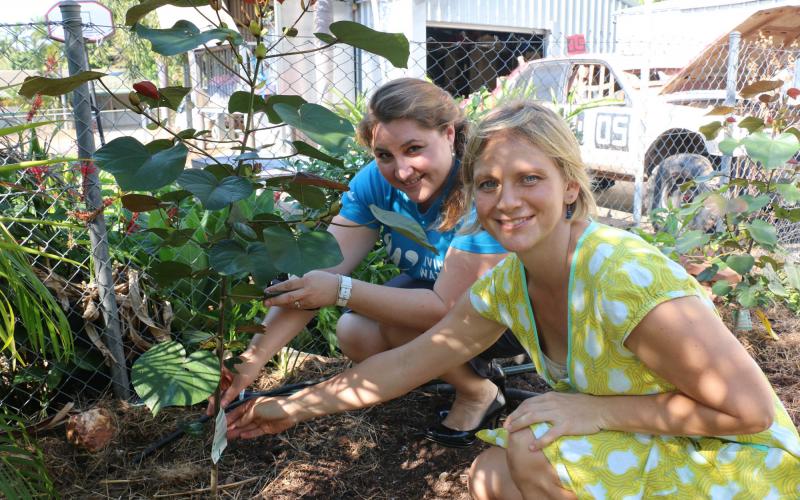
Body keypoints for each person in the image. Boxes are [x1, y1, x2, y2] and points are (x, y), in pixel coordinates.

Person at [225, 101, 800, 498]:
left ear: (569, 186)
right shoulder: (509, 283)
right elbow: (407, 363)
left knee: (528, 448)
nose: (506, 201)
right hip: (658, 438)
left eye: (529, 178)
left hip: (740, 461)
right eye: (489, 184)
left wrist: (596, 411)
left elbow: (749, 414)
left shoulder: (622, 277)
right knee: (490, 476)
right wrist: (287, 410)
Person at [209, 78, 525, 448]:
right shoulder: (376, 184)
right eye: (384, 155)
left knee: (393, 321)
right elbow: (318, 277)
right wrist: (247, 364)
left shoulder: (481, 189)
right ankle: (474, 380)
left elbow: (445, 308)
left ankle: (477, 394)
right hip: (440, 306)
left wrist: (341, 291)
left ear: (448, 134)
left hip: (509, 318)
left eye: (414, 149)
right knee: (354, 331)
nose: (401, 171)